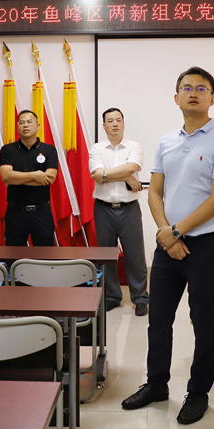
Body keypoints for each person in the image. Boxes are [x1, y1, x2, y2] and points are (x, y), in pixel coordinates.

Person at [121, 66, 214, 426]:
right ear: (176, 97)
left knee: (203, 321)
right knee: (158, 319)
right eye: (187, 88)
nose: (193, 93)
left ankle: (198, 392)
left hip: (205, 247)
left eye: (201, 89)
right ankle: (156, 384)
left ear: (212, 98)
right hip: (167, 246)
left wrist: (175, 231)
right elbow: (154, 191)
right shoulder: (166, 141)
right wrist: (165, 233)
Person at [89, 108, 150, 315]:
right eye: (110, 121)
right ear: (104, 126)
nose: (114, 124)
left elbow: (130, 168)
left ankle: (140, 298)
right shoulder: (97, 149)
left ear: (123, 124)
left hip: (129, 209)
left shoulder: (134, 146)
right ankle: (112, 297)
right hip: (103, 209)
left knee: (135, 256)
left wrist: (108, 174)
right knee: (106, 256)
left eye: (118, 120)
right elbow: (97, 175)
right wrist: (125, 175)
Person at [0, 110, 58, 246]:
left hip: (42, 212)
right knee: (14, 254)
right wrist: (35, 175)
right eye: (22, 122)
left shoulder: (49, 150)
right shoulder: (8, 150)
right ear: (17, 126)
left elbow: (49, 179)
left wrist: (17, 178)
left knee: (45, 254)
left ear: (38, 126)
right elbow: (6, 176)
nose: (25, 125)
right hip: (16, 212)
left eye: (30, 122)